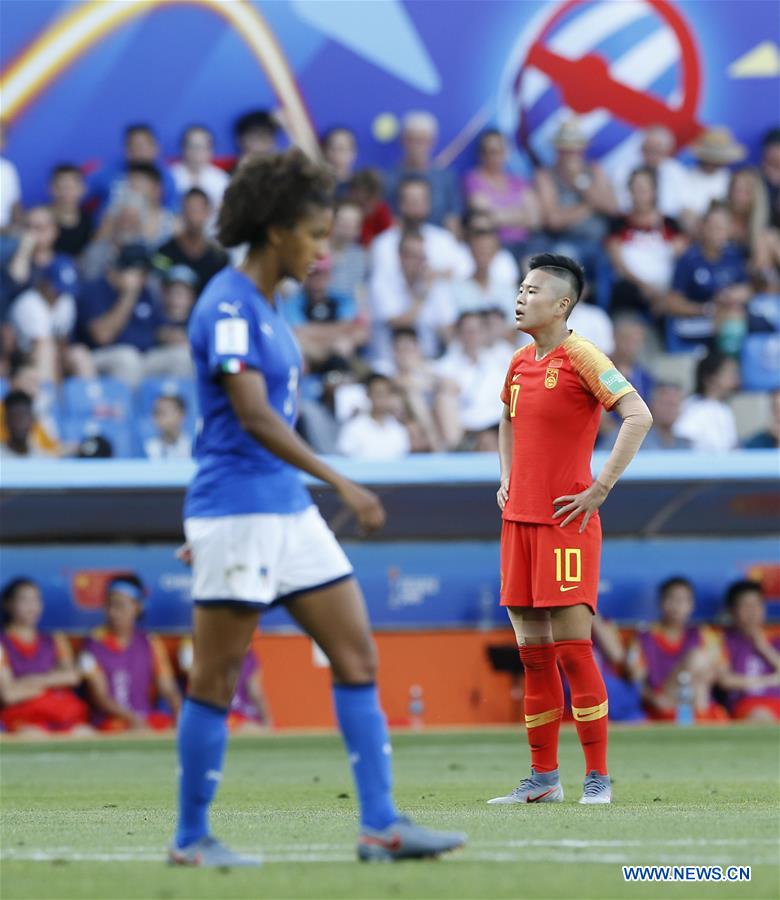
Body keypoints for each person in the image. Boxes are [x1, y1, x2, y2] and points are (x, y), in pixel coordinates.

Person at [172, 148, 465, 865]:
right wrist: (342, 482)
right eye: (315, 234)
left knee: (357, 655)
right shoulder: (229, 304)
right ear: (276, 231)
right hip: (241, 509)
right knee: (216, 678)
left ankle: (381, 826)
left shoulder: (268, 306)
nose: (324, 251)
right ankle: (191, 838)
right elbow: (253, 416)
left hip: (280, 510)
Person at [489, 253, 652, 807]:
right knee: (533, 656)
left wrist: (599, 489)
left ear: (562, 304)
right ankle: (542, 779)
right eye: (519, 288)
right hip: (519, 523)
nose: (520, 297)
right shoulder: (517, 362)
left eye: (532, 291)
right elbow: (507, 421)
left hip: (566, 523)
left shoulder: (582, 355)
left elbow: (638, 415)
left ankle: (598, 779)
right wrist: (506, 476)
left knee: (574, 651)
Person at [80, 575, 181, 731]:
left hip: (146, 719)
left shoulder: (150, 642)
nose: (113, 612)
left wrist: (178, 711)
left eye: (120, 606)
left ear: (137, 607)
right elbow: (100, 696)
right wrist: (133, 720)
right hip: (108, 723)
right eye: (109, 605)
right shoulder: (92, 644)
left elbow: (167, 687)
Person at [626, 577, 725, 721]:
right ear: (660, 603)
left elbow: (719, 675)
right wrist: (654, 699)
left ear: (691, 605)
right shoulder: (644, 638)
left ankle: (698, 720)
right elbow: (635, 679)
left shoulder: (704, 635)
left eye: (682, 601)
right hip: (663, 700)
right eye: (671, 599)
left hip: (697, 699)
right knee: (697, 657)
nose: (676, 606)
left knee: (700, 664)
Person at [0, 578, 89, 734]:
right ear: (8, 604)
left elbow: (72, 677)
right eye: (24, 600)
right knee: (32, 735)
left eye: (36, 600)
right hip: (21, 717)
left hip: (60, 713)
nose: (31, 607)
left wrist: (30, 681)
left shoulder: (54, 640)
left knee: (84, 733)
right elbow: (9, 695)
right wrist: (52, 683)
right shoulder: (3, 643)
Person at [534, 120, 618, 277]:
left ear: (582, 149)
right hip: (567, 241)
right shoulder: (546, 176)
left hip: (601, 241)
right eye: (565, 149)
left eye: (574, 149)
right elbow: (553, 221)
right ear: (557, 150)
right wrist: (591, 205)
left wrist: (580, 182)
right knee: (562, 258)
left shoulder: (594, 169)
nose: (570, 154)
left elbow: (612, 208)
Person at [665, 203, 751, 353]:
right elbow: (672, 303)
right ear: (703, 228)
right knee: (732, 321)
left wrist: (736, 294)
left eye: (723, 228)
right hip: (695, 320)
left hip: (729, 316)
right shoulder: (688, 259)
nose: (719, 233)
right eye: (714, 227)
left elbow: (747, 288)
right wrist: (707, 309)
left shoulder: (733, 255)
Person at [77, 242, 164, 387]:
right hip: (102, 357)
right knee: (128, 358)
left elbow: (160, 329)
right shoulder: (94, 290)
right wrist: (128, 295)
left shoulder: (146, 292)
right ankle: (130, 409)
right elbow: (103, 336)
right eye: (143, 273)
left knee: (183, 357)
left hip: (145, 356)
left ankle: (176, 409)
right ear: (126, 270)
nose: (146, 278)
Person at [607, 167, 686, 319]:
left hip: (665, 288)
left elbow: (682, 257)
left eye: (644, 189)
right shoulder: (618, 224)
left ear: (654, 191)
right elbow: (618, 263)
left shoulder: (670, 224)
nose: (640, 194)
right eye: (636, 189)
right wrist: (644, 287)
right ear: (629, 192)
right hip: (632, 287)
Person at [369, 229, 456, 364]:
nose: (419, 262)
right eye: (414, 256)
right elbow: (399, 323)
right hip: (388, 361)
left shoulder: (433, 284)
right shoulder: (382, 282)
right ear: (400, 256)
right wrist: (423, 294)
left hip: (429, 360)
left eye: (422, 257)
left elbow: (447, 327)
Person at [433, 311, 511, 452]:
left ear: (484, 333)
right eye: (467, 331)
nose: (472, 336)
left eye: (476, 331)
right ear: (458, 334)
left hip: (496, 426)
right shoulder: (445, 366)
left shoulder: (500, 360)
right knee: (443, 396)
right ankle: (456, 450)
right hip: (465, 431)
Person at [282, 255, 368, 380]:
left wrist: (312, 335)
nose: (318, 279)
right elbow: (296, 335)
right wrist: (336, 342)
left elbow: (359, 333)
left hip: (343, 368)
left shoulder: (343, 300)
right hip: (309, 373)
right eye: (313, 274)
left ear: (330, 275)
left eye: (323, 273)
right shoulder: (292, 303)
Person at [384, 111, 462, 232]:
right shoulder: (388, 178)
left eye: (421, 140)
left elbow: (453, 218)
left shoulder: (446, 178)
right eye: (410, 139)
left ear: (432, 142)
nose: (415, 146)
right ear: (402, 141)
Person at [463, 129, 539, 250]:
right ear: (481, 154)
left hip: (527, 243)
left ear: (506, 152)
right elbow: (484, 216)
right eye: (488, 152)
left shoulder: (519, 181)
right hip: (496, 245)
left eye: (498, 151)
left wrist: (500, 215)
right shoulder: (473, 179)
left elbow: (534, 219)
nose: (493, 156)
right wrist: (520, 215)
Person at [717, 580, 780, 721]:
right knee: (760, 716)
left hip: (777, 702)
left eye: (757, 604)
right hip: (746, 704)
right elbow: (725, 680)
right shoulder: (721, 639)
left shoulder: (776, 637)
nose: (752, 611)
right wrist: (768, 681)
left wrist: (764, 648)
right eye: (745, 605)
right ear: (731, 610)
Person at [87, 123, 178, 215]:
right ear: (126, 150)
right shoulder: (107, 172)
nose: (139, 151)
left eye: (143, 146)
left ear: (155, 148)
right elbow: (81, 193)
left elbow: (172, 212)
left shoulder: (166, 178)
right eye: (134, 146)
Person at [153, 188, 229, 295]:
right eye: (190, 210)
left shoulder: (220, 258)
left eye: (199, 210)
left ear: (208, 213)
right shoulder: (164, 251)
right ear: (182, 212)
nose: (194, 217)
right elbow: (156, 284)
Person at [2, 206, 79, 308]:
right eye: (28, 227)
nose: (32, 233)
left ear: (54, 231)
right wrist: (24, 250)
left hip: (58, 316)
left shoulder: (63, 260)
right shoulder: (12, 258)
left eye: (39, 228)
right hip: (20, 315)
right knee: (32, 302)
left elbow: (71, 292)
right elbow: (17, 280)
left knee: (65, 301)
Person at [610, 125, 688, 218]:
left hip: (666, 224)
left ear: (667, 152)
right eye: (648, 150)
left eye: (657, 151)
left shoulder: (677, 172)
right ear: (641, 149)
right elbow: (620, 203)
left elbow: (681, 205)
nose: (652, 155)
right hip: (630, 220)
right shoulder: (624, 170)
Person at [678, 127, 746, 233]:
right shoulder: (685, 177)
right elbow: (683, 211)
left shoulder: (731, 180)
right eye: (709, 157)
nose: (712, 163)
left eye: (716, 159)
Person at [673, 351, 739, 451]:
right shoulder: (692, 407)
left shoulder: (724, 409)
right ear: (709, 378)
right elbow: (681, 439)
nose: (734, 379)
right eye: (728, 372)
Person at [337, 373, 411, 460]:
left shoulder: (399, 430)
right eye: (378, 393)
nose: (382, 398)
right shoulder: (353, 428)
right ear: (368, 395)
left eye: (386, 394)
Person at [171, 125, 229, 214]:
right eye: (192, 146)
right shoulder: (171, 176)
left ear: (211, 150)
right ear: (183, 148)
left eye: (202, 147)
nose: (196, 152)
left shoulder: (221, 179)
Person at [49, 164, 95, 257]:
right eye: (61, 187)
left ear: (82, 189)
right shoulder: (41, 218)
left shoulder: (88, 220)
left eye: (71, 187)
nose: (66, 192)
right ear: (51, 189)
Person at [0, 390, 56, 458]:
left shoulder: (41, 459)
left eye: (24, 416)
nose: (19, 423)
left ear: (32, 419)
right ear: (6, 420)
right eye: (14, 416)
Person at [348, 168, 393, 246]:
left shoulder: (381, 211)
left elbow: (388, 238)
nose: (361, 197)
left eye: (367, 196)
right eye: (357, 192)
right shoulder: (346, 209)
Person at [143, 393, 191, 460]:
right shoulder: (149, 448)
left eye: (164, 413)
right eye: (156, 413)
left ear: (181, 416)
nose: (158, 418)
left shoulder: (193, 447)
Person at [321, 126, 358, 196]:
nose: (336, 154)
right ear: (324, 151)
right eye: (332, 148)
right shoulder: (317, 184)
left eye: (341, 148)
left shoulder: (360, 186)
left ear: (353, 153)